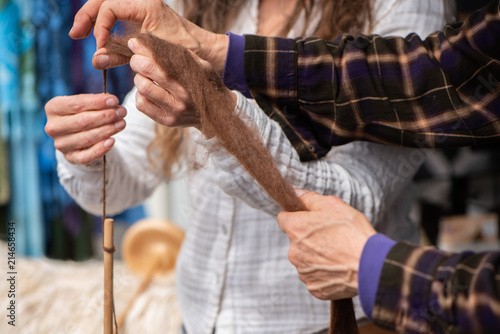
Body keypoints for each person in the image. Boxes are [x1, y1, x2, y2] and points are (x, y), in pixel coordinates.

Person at [46, 0, 455, 333]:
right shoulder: (199, 7)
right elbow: (123, 178)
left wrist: (219, 114)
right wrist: (88, 146)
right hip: (198, 319)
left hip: (328, 323)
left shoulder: (404, 8)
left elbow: (355, 200)